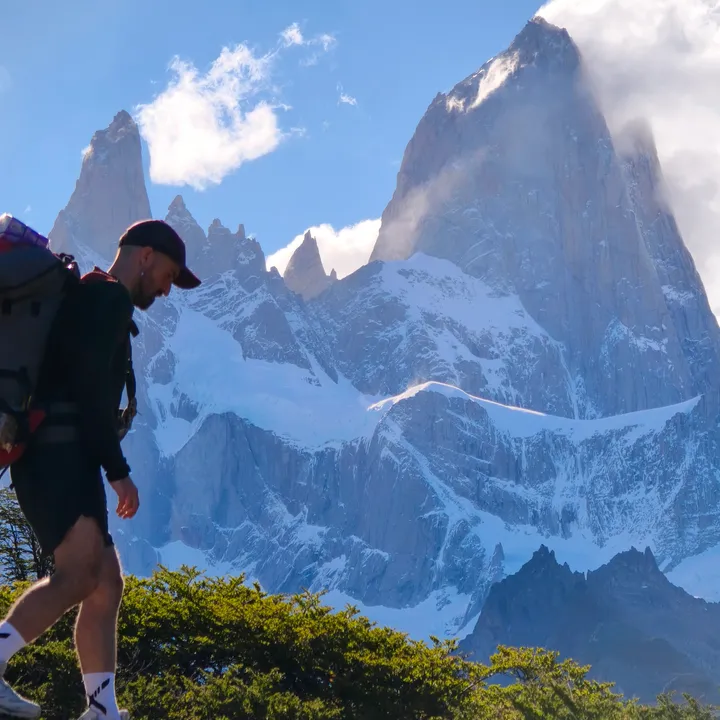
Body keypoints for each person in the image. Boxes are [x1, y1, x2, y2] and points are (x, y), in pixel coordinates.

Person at [0, 219, 201, 720]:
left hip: (61, 454)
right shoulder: (108, 300)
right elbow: (90, 392)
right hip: (58, 454)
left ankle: (102, 710)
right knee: (77, 575)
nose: (167, 289)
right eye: (169, 275)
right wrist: (118, 471)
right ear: (146, 257)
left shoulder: (92, 295)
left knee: (106, 582)